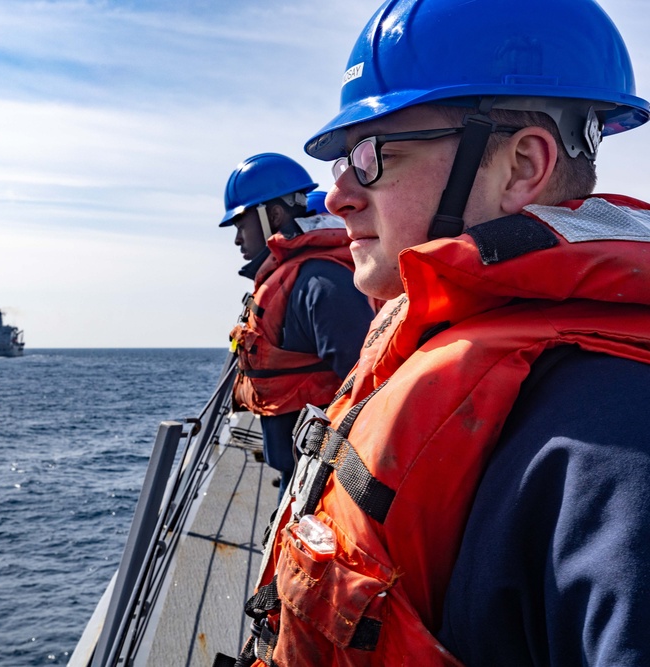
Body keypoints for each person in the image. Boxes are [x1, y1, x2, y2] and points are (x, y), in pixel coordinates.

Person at [235, 0, 650, 665]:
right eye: (343, 159)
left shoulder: (611, 449)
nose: (338, 195)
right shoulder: (448, 337)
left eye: (372, 154)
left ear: (520, 167)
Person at [221, 153, 376, 500]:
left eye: (240, 225)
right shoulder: (294, 278)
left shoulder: (319, 283)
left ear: (272, 215)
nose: (236, 240)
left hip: (323, 484)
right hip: (298, 472)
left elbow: (368, 387)